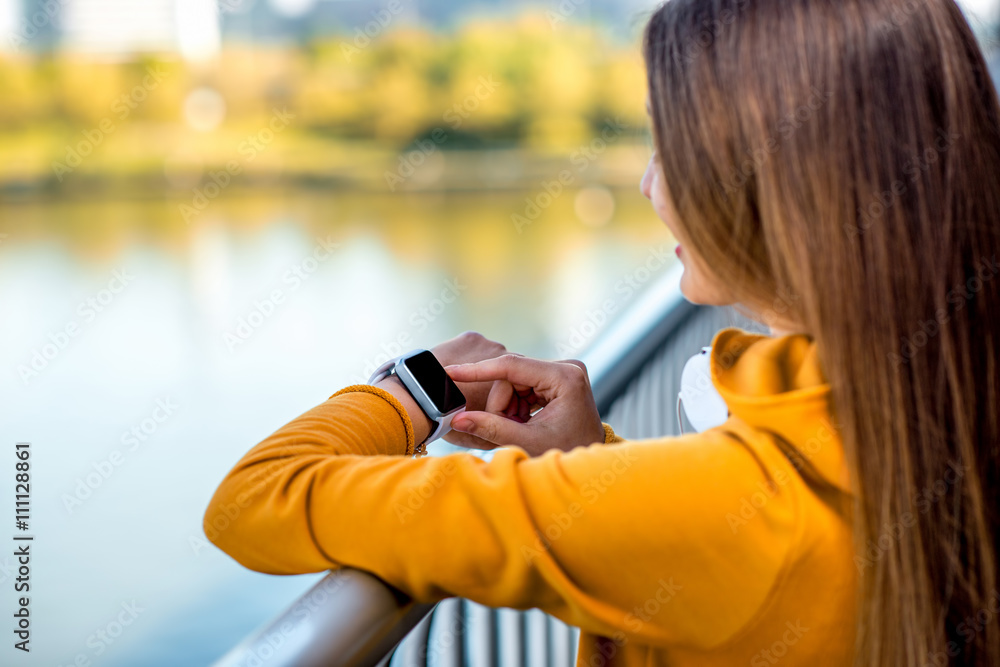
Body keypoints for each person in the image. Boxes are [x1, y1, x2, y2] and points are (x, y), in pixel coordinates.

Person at [204, 0, 1000, 664]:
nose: (652, 183)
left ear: (781, 188)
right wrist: (596, 472)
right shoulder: (951, 398)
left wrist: (411, 389)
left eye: (674, 148)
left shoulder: (747, 502)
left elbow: (253, 499)